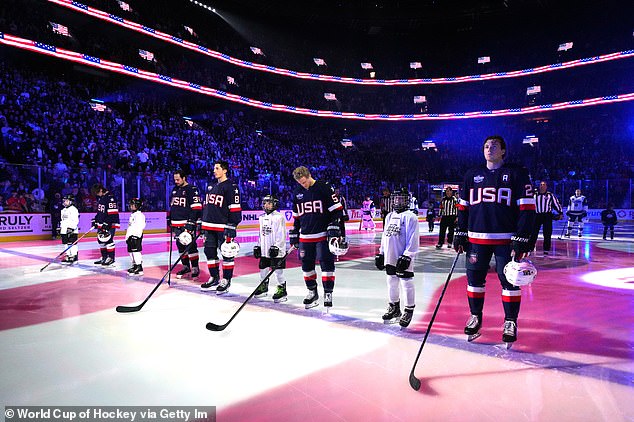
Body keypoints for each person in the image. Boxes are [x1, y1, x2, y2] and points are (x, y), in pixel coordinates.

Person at [453, 135, 535, 346]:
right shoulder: (472, 175)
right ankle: (475, 316)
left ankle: (510, 321)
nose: (489, 149)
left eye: (494, 146)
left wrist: (522, 236)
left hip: (505, 239)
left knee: (509, 280)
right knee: (474, 280)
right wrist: (460, 231)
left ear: (504, 151)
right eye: (486, 146)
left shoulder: (517, 173)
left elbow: (526, 208)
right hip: (476, 238)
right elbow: (463, 207)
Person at [290, 166, 344, 309]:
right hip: (305, 237)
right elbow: (296, 217)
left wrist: (334, 226)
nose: (304, 185)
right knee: (306, 266)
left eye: (305, 182)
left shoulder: (324, 187)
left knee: (326, 264)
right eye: (301, 183)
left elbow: (337, 211)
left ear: (309, 176)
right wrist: (295, 232)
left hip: (322, 235)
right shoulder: (297, 193)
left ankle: (328, 292)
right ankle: (312, 292)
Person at [375, 187, 420, 328]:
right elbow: (385, 236)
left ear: (407, 200)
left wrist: (407, 255)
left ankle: (408, 309)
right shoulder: (389, 216)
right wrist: (381, 252)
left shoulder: (410, 217)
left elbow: (413, 238)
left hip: (403, 254)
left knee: (406, 281)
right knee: (391, 280)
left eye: (401, 198)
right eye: (396, 198)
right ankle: (394, 307)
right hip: (390, 254)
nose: (398, 201)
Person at [200, 160, 243, 294]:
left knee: (226, 253)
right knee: (209, 253)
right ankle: (214, 277)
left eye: (217, 168)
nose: (214, 171)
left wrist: (232, 226)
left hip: (222, 227)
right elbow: (207, 207)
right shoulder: (210, 186)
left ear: (224, 170)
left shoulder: (231, 186)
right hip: (208, 226)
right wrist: (201, 224)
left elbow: (235, 208)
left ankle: (226, 280)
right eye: (214, 168)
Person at [253, 195, 288, 302]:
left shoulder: (279, 217)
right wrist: (258, 245)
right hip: (265, 249)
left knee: (278, 270)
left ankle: (281, 289)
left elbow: (281, 233)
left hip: (276, 249)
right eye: (264, 203)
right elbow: (261, 233)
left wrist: (277, 246)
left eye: (269, 203)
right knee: (263, 269)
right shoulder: (261, 217)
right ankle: (263, 287)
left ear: (274, 204)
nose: (266, 205)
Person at [169, 170, 202, 279]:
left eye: (178, 179)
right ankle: (186, 266)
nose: (176, 181)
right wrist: (171, 218)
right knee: (180, 247)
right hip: (176, 224)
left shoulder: (191, 189)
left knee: (190, 246)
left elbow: (196, 207)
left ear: (184, 178)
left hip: (186, 224)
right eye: (175, 179)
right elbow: (173, 206)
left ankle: (195, 267)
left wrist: (191, 223)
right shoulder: (175, 189)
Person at [530, 181, 563, 256]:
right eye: (541, 185)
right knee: (533, 233)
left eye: (544, 184)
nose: (542, 186)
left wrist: (560, 212)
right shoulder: (534, 195)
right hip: (536, 215)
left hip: (547, 215)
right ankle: (530, 248)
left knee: (547, 233)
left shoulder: (550, 195)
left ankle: (546, 250)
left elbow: (556, 204)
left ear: (546, 186)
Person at [91, 183, 120, 266]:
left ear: (101, 190)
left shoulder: (110, 198)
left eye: (97, 193)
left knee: (108, 240)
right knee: (101, 240)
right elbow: (101, 212)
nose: (97, 195)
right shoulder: (102, 198)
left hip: (109, 223)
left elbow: (113, 213)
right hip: (102, 223)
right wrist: (96, 219)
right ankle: (104, 257)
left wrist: (107, 223)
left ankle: (111, 258)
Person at [125, 197, 146, 276]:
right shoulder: (133, 215)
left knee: (136, 251)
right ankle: (134, 265)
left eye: (133, 205)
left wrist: (135, 236)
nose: (131, 206)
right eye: (130, 205)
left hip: (136, 236)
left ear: (138, 206)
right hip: (130, 236)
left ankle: (139, 266)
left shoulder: (140, 215)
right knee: (131, 251)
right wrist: (128, 237)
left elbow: (140, 226)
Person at [59, 194, 79, 264]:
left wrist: (71, 228)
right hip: (64, 230)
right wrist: (61, 228)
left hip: (72, 230)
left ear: (71, 201)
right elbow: (63, 220)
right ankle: (67, 255)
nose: (64, 202)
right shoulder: (63, 210)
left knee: (72, 243)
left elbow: (75, 220)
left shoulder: (73, 209)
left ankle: (73, 255)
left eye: (66, 201)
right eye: (64, 201)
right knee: (65, 243)